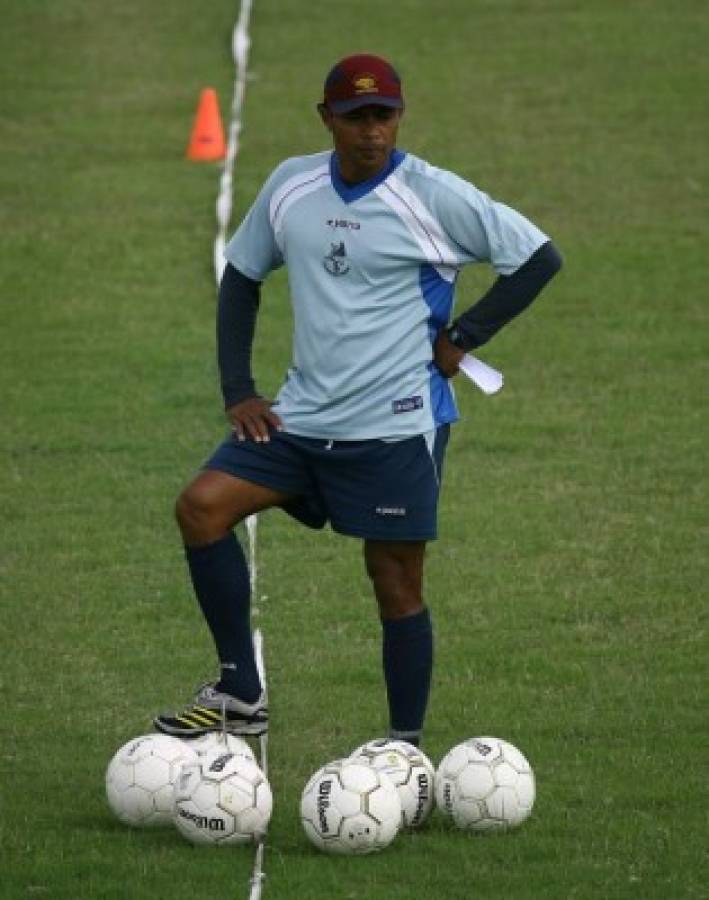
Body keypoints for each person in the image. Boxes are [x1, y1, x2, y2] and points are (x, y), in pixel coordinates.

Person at [154, 53, 562, 745]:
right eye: (355, 118)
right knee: (201, 507)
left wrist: (462, 334)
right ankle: (239, 692)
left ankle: (402, 746)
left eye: (383, 115)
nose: (371, 131)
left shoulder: (434, 197)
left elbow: (537, 257)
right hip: (298, 421)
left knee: (393, 581)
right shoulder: (292, 185)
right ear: (326, 119)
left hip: (394, 427)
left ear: (399, 115)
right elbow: (243, 275)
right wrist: (238, 390)